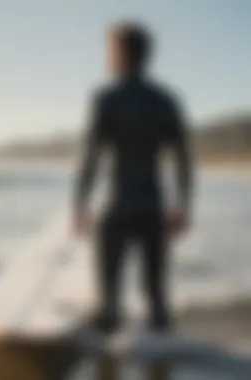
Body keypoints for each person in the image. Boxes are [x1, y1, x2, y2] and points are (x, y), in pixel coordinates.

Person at [73, 22, 192, 333]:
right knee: (157, 300)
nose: (107, 58)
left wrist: (79, 205)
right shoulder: (166, 100)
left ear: (121, 54)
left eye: (110, 51)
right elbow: (183, 159)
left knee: (108, 305)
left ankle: (108, 364)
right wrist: (183, 205)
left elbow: (91, 158)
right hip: (153, 205)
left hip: (117, 206)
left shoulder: (106, 98)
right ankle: (162, 360)